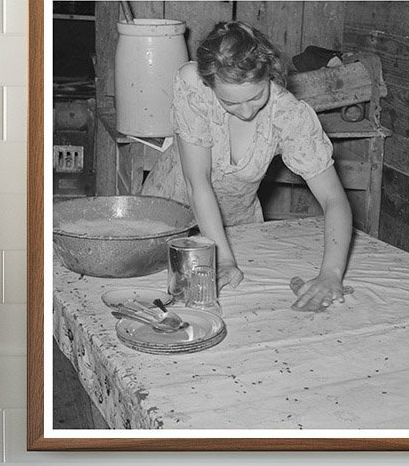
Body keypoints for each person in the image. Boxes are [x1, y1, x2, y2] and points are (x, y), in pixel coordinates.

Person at [141, 20, 352, 312]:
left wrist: (330, 273)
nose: (246, 111)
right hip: (168, 216)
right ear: (209, 84)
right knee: (160, 306)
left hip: (237, 225)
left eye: (255, 96)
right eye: (230, 102)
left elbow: (333, 198)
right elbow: (197, 182)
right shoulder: (194, 84)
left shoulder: (289, 115)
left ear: (269, 75)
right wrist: (223, 259)